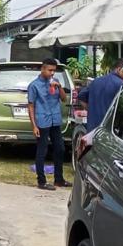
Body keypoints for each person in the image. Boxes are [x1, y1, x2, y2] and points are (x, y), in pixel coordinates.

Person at [27, 58, 72, 191]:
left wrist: (59, 87)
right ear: (43, 69)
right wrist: (34, 125)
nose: (52, 73)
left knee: (60, 148)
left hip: (55, 119)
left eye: (54, 70)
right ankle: (41, 181)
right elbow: (31, 106)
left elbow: (63, 99)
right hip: (42, 120)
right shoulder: (34, 85)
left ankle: (59, 179)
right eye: (49, 70)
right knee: (42, 150)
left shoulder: (55, 82)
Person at [78, 58, 123, 130]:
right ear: (119, 69)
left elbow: (80, 97)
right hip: (110, 131)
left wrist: (92, 110)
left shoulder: (96, 81)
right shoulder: (122, 85)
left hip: (92, 129)